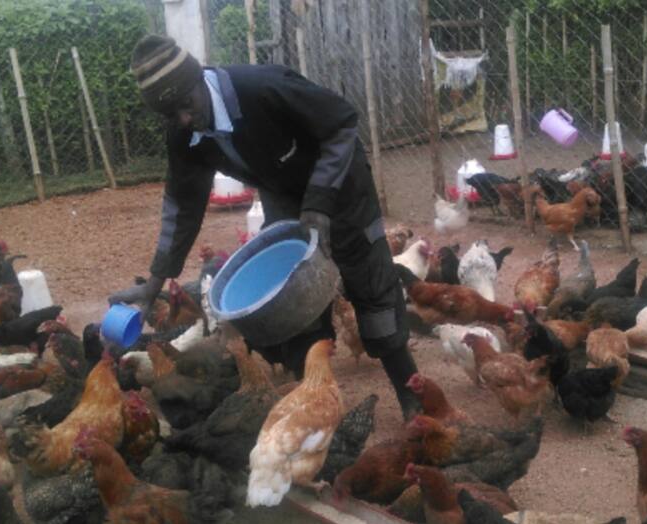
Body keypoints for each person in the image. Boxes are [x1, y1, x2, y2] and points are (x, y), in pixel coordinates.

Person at [109, 35, 419, 419]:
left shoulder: (262, 88)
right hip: (284, 198)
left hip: (340, 187)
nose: (184, 120)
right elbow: (182, 205)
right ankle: (313, 412)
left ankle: (413, 398)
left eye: (186, 106)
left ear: (197, 81)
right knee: (291, 301)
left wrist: (319, 204)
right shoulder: (184, 131)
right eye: (171, 115)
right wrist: (155, 281)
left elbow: (341, 125)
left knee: (372, 290)